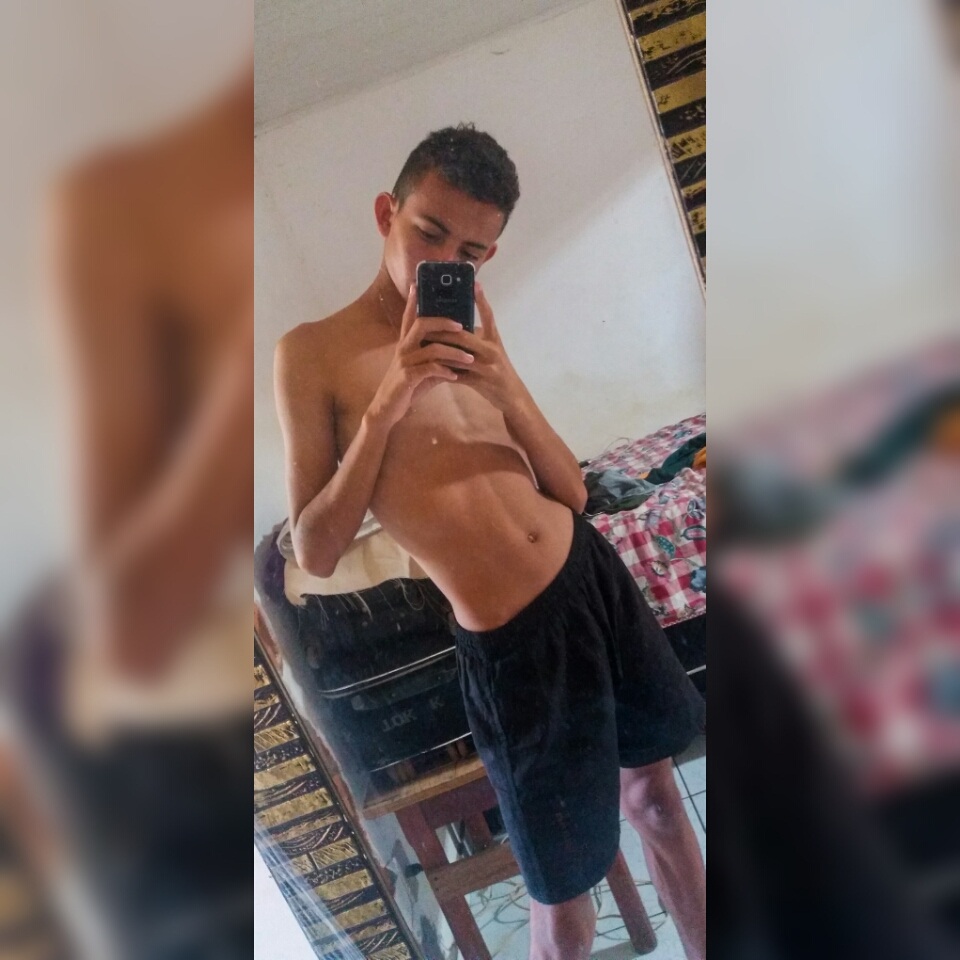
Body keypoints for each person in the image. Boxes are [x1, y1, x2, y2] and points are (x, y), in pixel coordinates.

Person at [275, 123, 706, 960]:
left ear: (490, 256)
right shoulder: (312, 354)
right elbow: (315, 550)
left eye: (470, 252)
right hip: (514, 645)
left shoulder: (476, 321)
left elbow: (570, 491)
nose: (444, 261)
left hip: (589, 577)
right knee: (564, 904)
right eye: (428, 233)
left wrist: (503, 383)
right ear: (386, 214)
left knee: (657, 799)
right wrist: (387, 404)